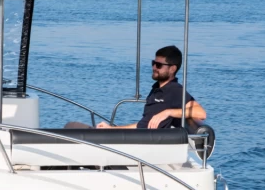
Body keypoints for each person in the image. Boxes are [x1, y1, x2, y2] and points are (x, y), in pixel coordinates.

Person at [66, 46, 206, 130]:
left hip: (142, 145)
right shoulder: (156, 89)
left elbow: (201, 113)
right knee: (72, 128)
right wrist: (113, 129)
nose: (153, 67)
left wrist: (167, 112)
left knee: (72, 128)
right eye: (153, 63)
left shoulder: (175, 90)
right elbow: (142, 125)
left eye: (158, 65)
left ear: (172, 69)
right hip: (137, 139)